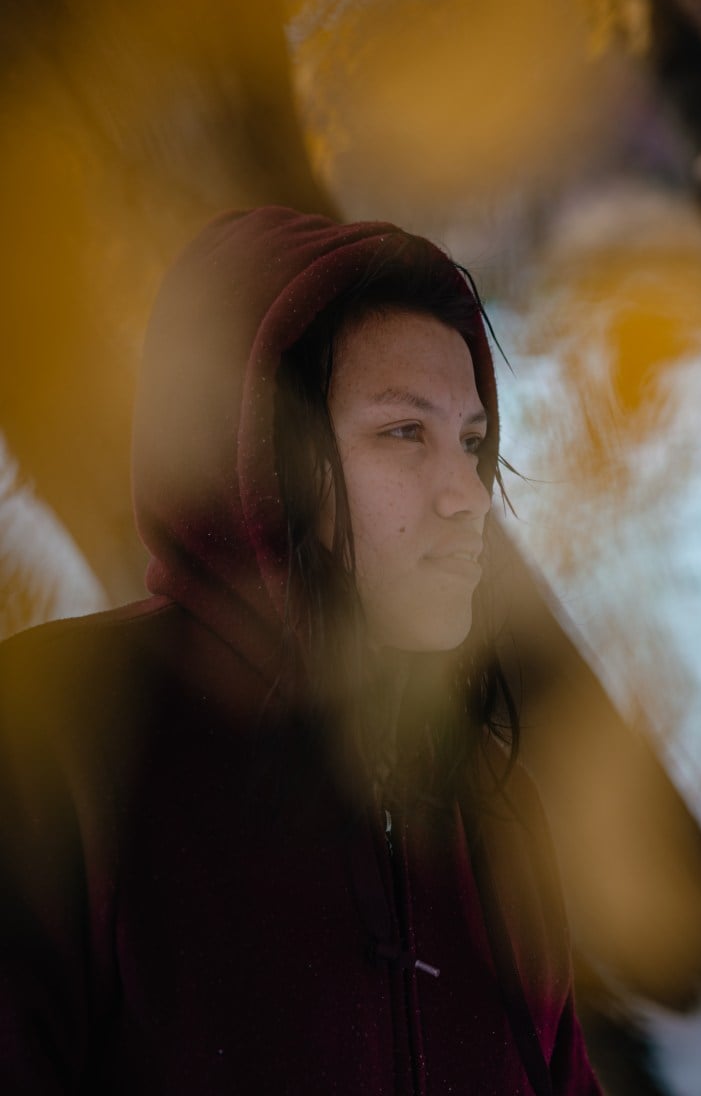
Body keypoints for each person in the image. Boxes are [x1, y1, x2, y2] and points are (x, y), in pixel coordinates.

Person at [0, 206, 601, 1093]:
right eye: (404, 433)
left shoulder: (492, 813)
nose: (467, 496)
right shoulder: (63, 731)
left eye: (472, 443)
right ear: (251, 457)